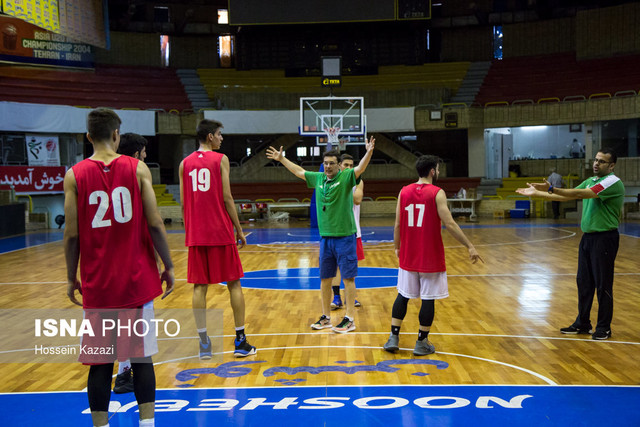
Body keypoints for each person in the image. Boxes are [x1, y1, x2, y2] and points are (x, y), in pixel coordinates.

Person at [64, 108, 175, 427]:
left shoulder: (74, 175)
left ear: (88, 137)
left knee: (100, 364)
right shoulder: (138, 169)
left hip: (99, 285)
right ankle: (147, 424)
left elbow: (71, 234)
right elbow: (155, 223)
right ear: (116, 135)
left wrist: (71, 277)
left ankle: (101, 425)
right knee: (141, 358)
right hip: (137, 281)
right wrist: (167, 265)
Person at [266, 138, 375, 333]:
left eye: (332, 163)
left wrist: (368, 153)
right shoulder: (318, 179)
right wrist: (282, 159)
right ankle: (325, 317)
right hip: (326, 238)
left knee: (348, 278)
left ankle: (349, 318)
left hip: (345, 236)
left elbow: (361, 168)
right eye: (325, 163)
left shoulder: (347, 177)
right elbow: (299, 171)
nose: (328, 167)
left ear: (338, 166)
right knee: (325, 279)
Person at [516, 148, 624, 340]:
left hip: (604, 239)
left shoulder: (612, 182)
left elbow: (580, 194)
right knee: (584, 282)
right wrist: (538, 193)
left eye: (602, 161)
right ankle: (582, 323)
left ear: (612, 165)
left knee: (603, 284)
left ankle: (604, 327)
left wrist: (550, 188)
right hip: (588, 238)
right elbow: (566, 196)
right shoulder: (591, 180)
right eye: (596, 160)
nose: (596, 164)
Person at [383, 155, 483, 356]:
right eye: (437, 169)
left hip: (409, 253)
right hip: (430, 255)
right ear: (432, 171)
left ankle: (393, 337)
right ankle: (421, 342)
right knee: (428, 299)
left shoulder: (403, 191)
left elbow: (397, 224)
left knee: (403, 295)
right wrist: (470, 245)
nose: (438, 172)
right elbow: (450, 224)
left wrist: (397, 247)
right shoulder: (437, 193)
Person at [179, 119, 256, 359]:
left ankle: (203, 342)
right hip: (220, 230)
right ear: (210, 136)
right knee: (233, 283)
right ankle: (240, 341)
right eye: (220, 134)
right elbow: (227, 197)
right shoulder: (220, 160)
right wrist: (239, 229)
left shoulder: (184, 164)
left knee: (199, 287)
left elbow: (183, 203)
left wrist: (191, 227)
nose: (222, 138)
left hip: (197, 233)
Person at [111, 132, 154, 394]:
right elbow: (152, 220)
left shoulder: (98, 173)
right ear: (137, 153)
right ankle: (128, 374)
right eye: (145, 152)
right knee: (138, 327)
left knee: (114, 322)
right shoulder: (138, 173)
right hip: (133, 257)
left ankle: (121, 372)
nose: (147, 156)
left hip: (105, 259)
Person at [331, 153, 364, 310]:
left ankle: (350, 298)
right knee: (336, 267)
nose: (349, 168)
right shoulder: (330, 181)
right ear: (339, 166)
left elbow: (357, 199)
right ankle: (336, 297)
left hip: (353, 231)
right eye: (346, 165)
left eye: (352, 165)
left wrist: (342, 187)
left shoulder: (358, 182)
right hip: (335, 230)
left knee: (350, 268)